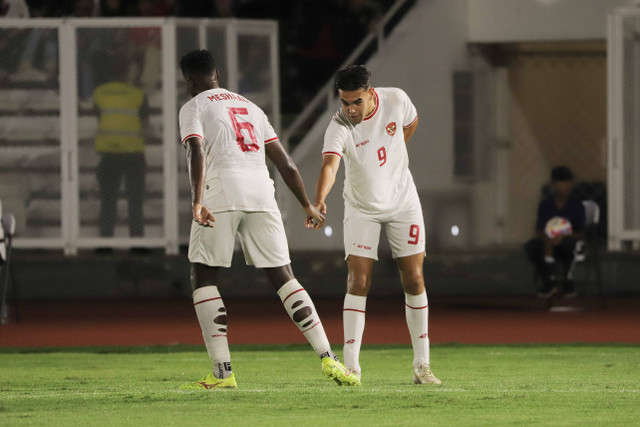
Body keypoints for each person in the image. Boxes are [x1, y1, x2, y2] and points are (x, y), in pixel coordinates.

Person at [177, 49, 360, 389]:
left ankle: (222, 373)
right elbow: (285, 163)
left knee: (203, 277)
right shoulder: (251, 107)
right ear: (217, 73)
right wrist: (307, 204)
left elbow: (196, 150)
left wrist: (198, 200)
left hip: (220, 194)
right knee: (284, 278)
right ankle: (329, 359)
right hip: (262, 193)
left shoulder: (194, 106)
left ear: (189, 80)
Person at [307, 65, 441, 385]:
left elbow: (411, 123)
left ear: (370, 93)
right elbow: (330, 165)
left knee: (415, 277)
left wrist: (393, 155)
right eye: (344, 102)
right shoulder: (339, 125)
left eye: (356, 101)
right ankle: (352, 367)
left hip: (403, 202)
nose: (350, 109)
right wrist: (319, 199)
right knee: (358, 280)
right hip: (361, 208)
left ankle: (422, 366)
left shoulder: (395, 100)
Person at [93, 59, 147, 239]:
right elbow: (145, 123)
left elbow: (98, 116)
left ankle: (105, 243)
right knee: (135, 203)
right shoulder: (138, 94)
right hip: (133, 155)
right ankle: (137, 243)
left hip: (109, 154)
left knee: (107, 202)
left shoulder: (100, 93)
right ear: (128, 74)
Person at [524, 166, 586, 298]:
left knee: (570, 245)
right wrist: (548, 240)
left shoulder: (576, 205)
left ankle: (566, 281)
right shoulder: (545, 205)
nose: (566, 186)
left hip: (568, 242)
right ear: (553, 185)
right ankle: (549, 280)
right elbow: (539, 230)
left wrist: (563, 237)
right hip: (549, 242)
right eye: (562, 182)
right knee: (531, 246)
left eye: (569, 182)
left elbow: (581, 233)